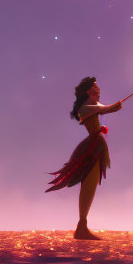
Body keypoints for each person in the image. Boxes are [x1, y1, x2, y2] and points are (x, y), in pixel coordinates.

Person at [45, 77, 122, 240]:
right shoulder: (86, 107)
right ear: (88, 91)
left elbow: (107, 108)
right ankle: (81, 227)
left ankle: (82, 226)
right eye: (95, 87)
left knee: (91, 184)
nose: (99, 89)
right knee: (89, 183)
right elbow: (108, 108)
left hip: (95, 145)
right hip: (92, 147)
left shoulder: (90, 106)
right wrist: (116, 106)